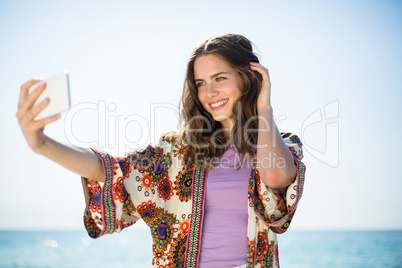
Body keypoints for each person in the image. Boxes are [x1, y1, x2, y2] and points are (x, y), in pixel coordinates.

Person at [16, 34, 306, 268]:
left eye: (220, 78)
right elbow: (112, 170)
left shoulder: (282, 144)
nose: (209, 93)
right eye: (201, 83)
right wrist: (41, 144)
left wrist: (263, 108)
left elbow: (276, 175)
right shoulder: (176, 152)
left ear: (248, 78)